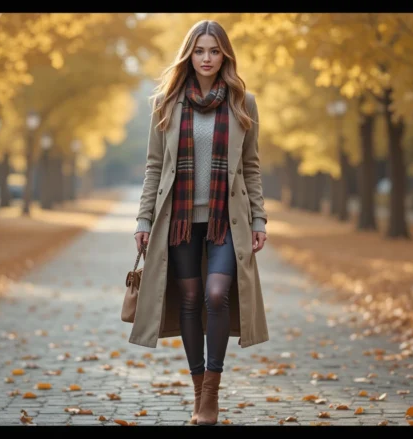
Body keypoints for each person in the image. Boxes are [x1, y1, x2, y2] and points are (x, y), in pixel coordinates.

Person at [129, 19, 270, 426]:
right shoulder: (166, 103)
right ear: (188, 55)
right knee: (190, 301)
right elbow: (154, 167)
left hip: (228, 221)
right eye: (199, 51)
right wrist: (143, 218)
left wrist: (259, 217)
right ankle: (199, 394)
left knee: (216, 293)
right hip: (179, 220)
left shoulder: (244, 102)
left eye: (214, 51)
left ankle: (212, 390)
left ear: (225, 55)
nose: (206, 58)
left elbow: (252, 166)